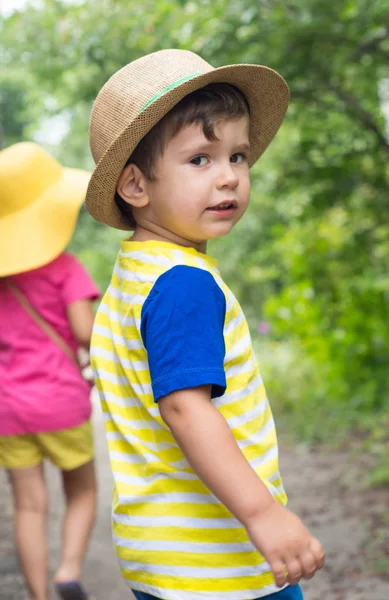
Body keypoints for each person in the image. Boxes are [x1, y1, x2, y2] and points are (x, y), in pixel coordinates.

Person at [85, 49, 325, 600]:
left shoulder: (135, 273)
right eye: (200, 160)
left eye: (238, 156)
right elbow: (184, 407)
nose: (229, 179)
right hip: (219, 561)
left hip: (163, 554)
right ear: (136, 186)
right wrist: (264, 513)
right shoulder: (183, 283)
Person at [0, 142, 100, 600]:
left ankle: (39, 596)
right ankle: (68, 571)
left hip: (8, 412)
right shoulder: (66, 269)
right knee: (81, 491)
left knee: (28, 506)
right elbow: (85, 334)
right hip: (61, 403)